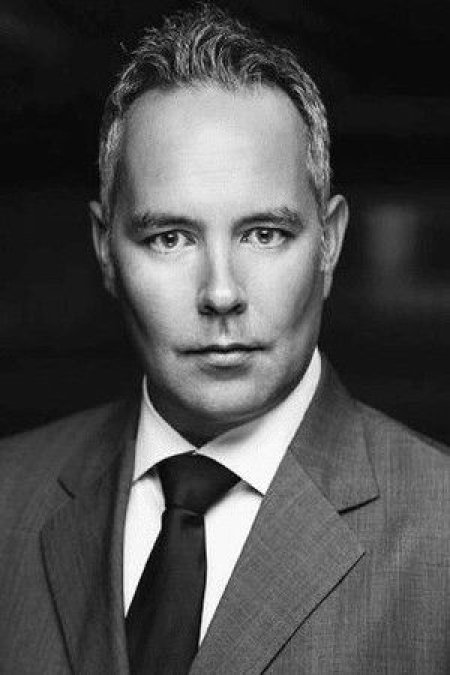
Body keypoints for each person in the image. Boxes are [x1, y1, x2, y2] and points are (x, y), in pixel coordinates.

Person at [1, 4, 449, 674]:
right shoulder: (8, 496)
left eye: (264, 234)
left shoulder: (441, 529)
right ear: (104, 248)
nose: (220, 292)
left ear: (329, 242)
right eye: (169, 238)